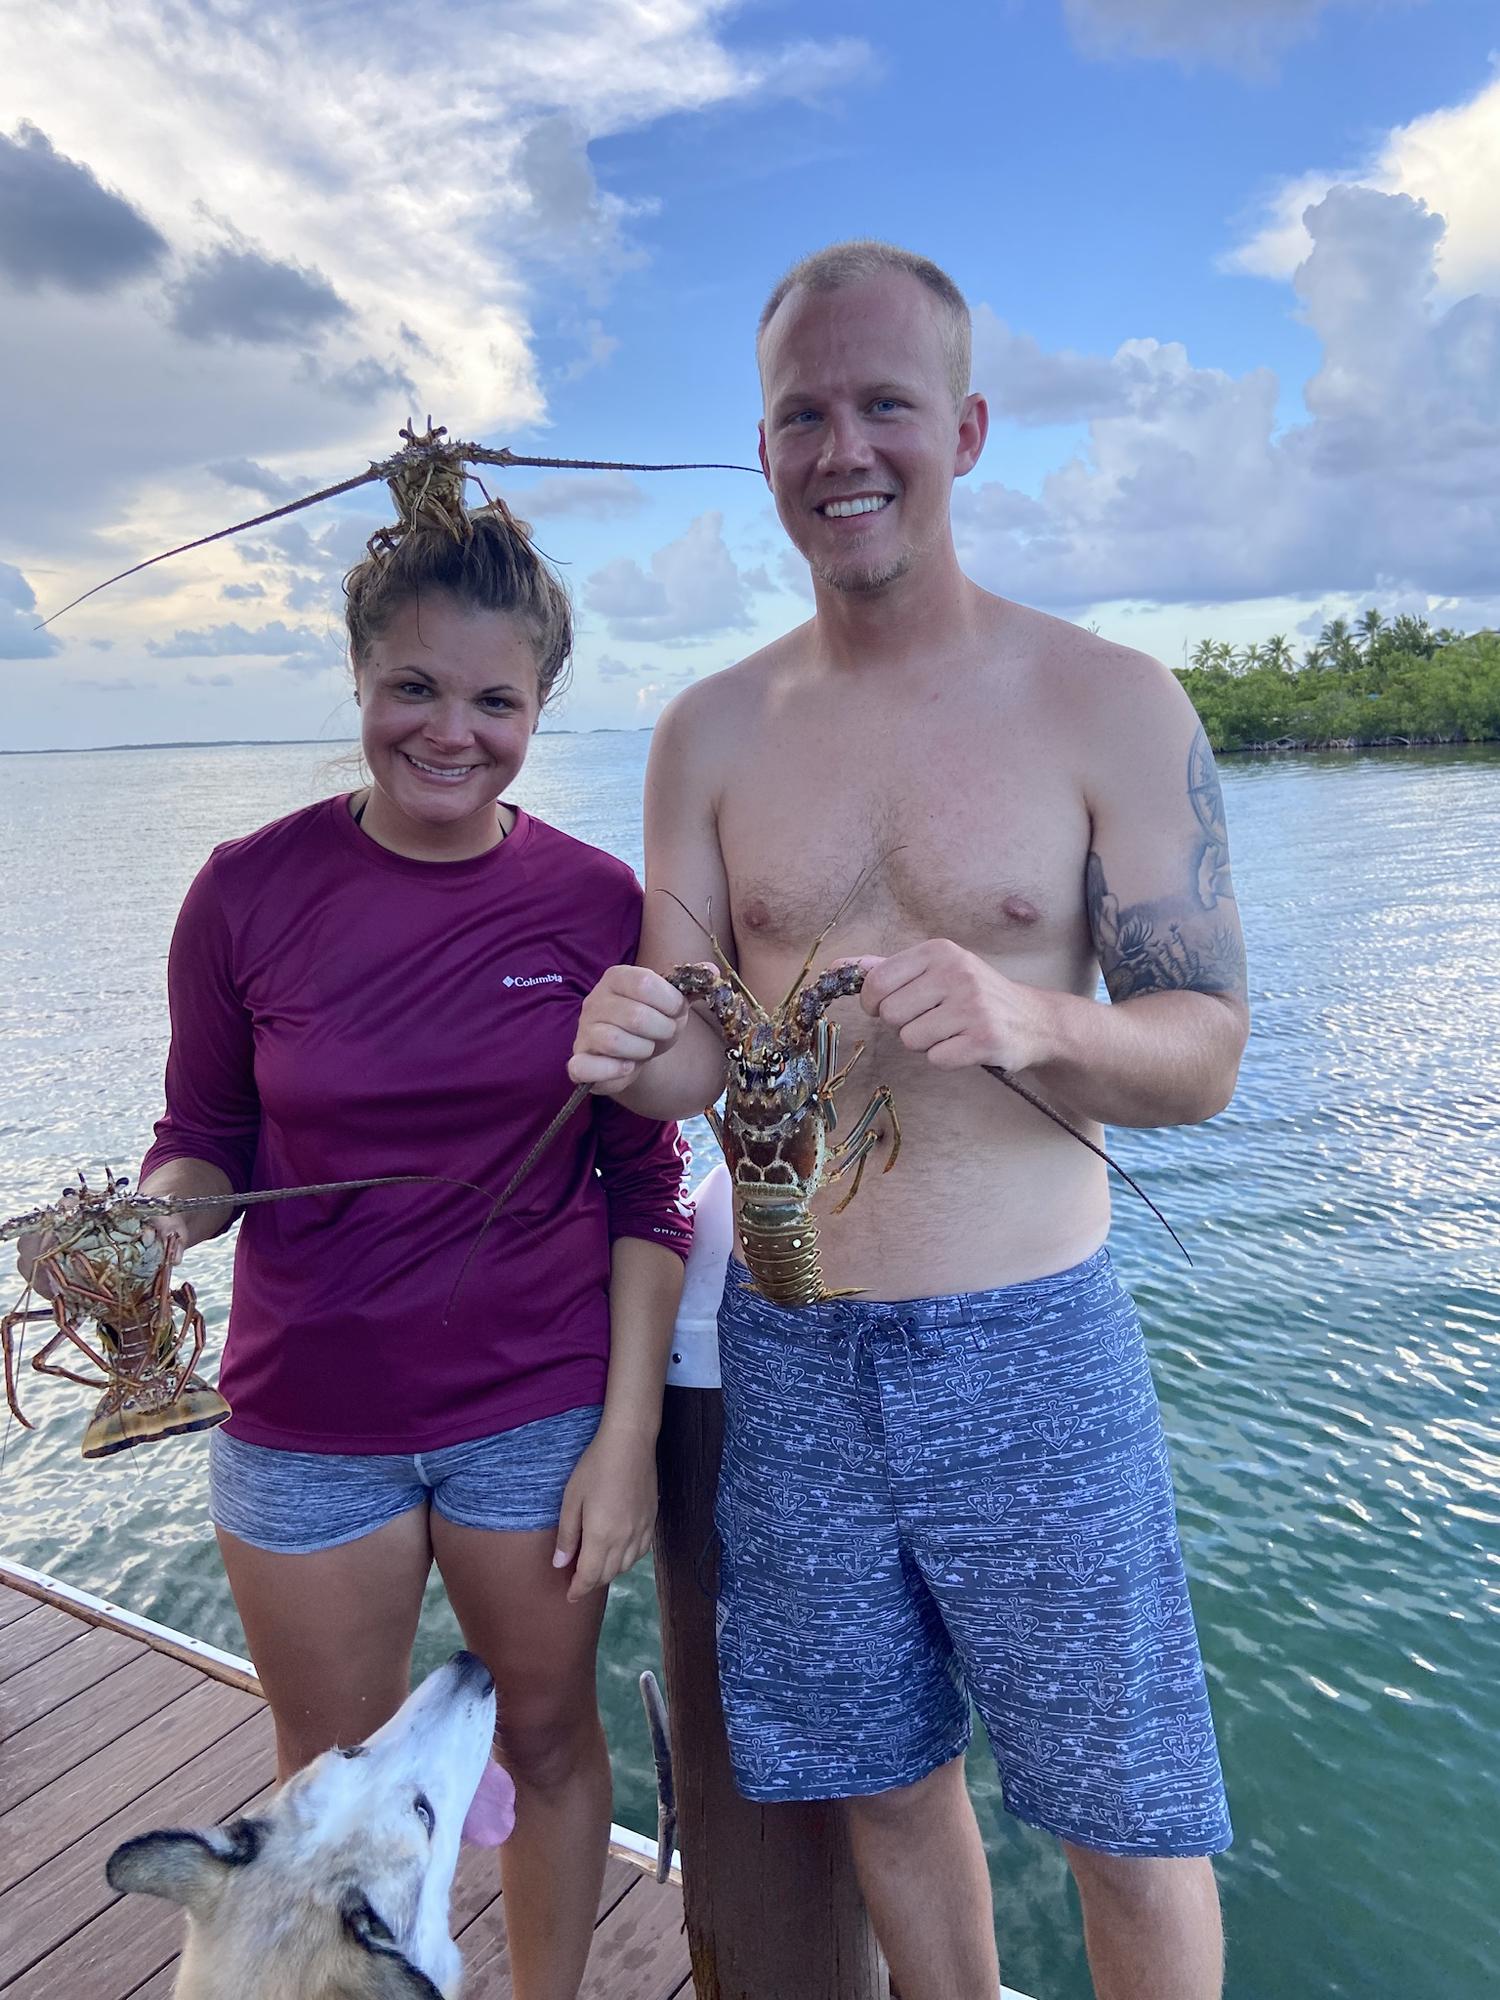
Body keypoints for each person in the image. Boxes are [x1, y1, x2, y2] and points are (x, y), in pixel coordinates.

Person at [567, 241, 1248, 2000]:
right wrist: (626, 1038)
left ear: (968, 425)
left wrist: (1033, 1015)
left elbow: (1204, 1054)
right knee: (877, 1777)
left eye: (885, 405)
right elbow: (689, 1065)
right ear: (765, 447)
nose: (843, 447)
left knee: (1129, 1819)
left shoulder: (1111, 701)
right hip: (795, 1352)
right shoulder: (708, 731)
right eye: (803, 413)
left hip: (1034, 1341)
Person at [126, 499, 690, 2000]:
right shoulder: (245, 889)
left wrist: (624, 1438)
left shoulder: (594, 905)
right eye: (414, 691)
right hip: (307, 1422)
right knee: (330, 1790)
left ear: (539, 710)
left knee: (557, 1741)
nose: (452, 733)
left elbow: (649, 1185)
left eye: (495, 701)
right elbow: (205, 1142)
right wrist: (151, 1226)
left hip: (536, 1413)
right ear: (361, 679)